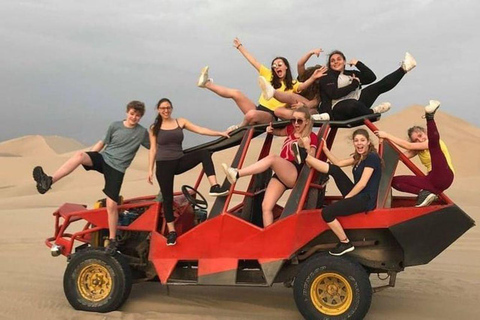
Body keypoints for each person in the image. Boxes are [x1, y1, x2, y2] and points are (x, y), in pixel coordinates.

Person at [33, 101, 150, 254]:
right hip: (104, 159)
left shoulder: (142, 133)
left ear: (141, 117)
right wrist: (91, 156)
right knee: (80, 155)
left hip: (117, 169)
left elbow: (153, 146)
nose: (134, 117)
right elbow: (102, 143)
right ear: (127, 112)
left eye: (138, 115)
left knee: (111, 205)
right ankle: (48, 181)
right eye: (132, 114)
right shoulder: (115, 126)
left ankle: (113, 240)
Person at [148, 98, 230, 246]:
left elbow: (200, 129)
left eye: (168, 107)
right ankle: (172, 232)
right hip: (163, 165)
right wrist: (149, 170)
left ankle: (214, 186)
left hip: (179, 161)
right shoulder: (154, 127)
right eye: (162, 108)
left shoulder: (180, 122)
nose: (166, 110)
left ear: (171, 108)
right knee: (167, 199)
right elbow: (153, 149)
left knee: (204, 153)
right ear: (158, 110)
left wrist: (220, 132)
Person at [197, 38, 322, 131]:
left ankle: (239, 127)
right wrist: (240, 46)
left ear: (286, 67)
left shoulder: (292, 84)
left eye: (280, 64)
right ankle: (206, 84)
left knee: (251, 115)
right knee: (236, 93)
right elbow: (253, 61)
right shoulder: (269, 75)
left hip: (271, 116)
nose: (276, 67)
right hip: (259, 108)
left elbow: (303, 85)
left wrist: (313, 77)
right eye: (274, 65)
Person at [222, 106, 318, 227]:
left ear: (307, 121)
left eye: (299, 121)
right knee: (266, 206)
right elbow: (278, 132)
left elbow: (312, 160)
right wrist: (270, 130)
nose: (296, 124)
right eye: (293, 120)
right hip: (282, 171)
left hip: (295, 171)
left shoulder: (310, 137)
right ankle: (269, 234)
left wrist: (307, 146)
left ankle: (237, 173)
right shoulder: (290, 130)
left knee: (272, 158)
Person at [301, 128, 382, 256]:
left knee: (327, 213)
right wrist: (325, 149)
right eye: (356, 141)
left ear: (368, 142)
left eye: (362, 140)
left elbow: (362, 183)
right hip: (359, 194)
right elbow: (338, 163)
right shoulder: (359, 157)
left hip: (366, 199)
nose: (359, 143)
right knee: (335, 170)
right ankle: (308, 158)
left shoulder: (372, 157)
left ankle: (345, 242)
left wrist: (348, 198)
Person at [374, 100, 454, 207]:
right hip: (432, 182)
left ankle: (429, 116)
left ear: (425, 132)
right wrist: (382, 146)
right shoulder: (418, 149)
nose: (420, 140)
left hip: (444, 175)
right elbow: (401, 157)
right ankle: (424, 192)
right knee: (395, 182)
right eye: (416, 140)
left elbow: (408, 145)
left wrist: (387, 135)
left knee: (434, 145)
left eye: (421, 135)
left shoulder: (433, 142)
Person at [315, 50, 417, 121]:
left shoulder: (350, 73)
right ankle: (372, 112)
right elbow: (334, 94)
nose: (336, 62)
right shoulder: (327, 76)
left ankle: (404, 68)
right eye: (332, 61)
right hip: (337, 109)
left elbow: (371, 77)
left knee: (377, 87)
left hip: (358, 103)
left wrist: (358, 63)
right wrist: (354, 84)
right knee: (352, 104)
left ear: (344, 61)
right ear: (329, 64)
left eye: (339, 59)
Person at [259, 48, 328, 120]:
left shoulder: (320, 91)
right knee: (277, 111)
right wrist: (311, 52)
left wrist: (304, 106)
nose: (317, 79)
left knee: (309, 109)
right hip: (296, 109)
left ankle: (309, 117)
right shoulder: (303, 79)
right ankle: (298, 117)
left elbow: (314, 103)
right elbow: (300, 64)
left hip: (308, 109)